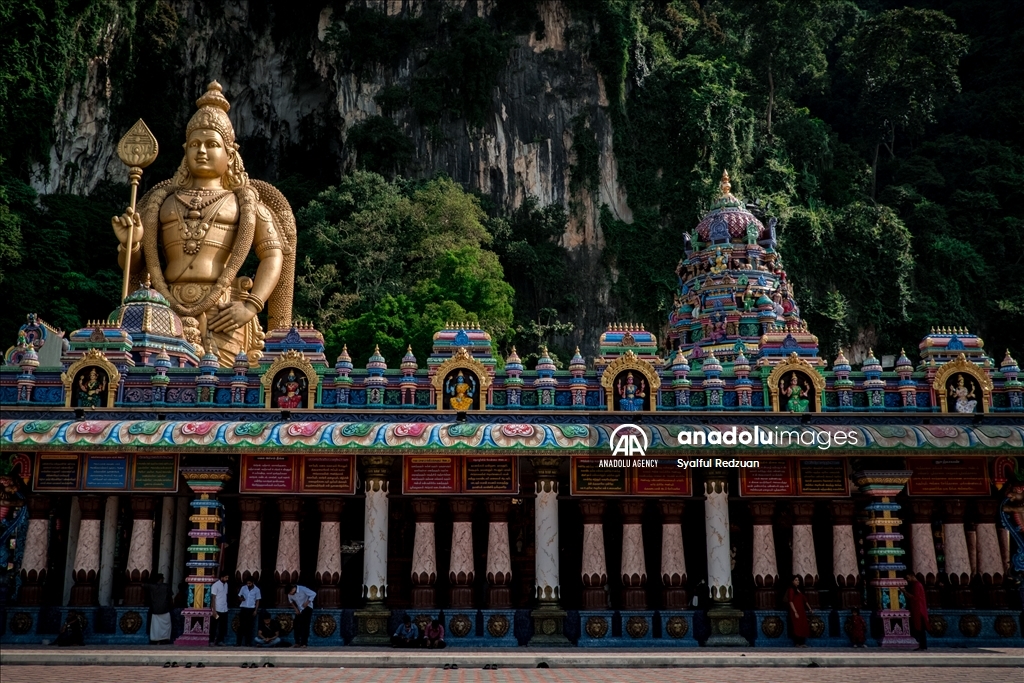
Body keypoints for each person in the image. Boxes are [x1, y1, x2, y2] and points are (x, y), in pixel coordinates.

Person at [146, 573, 174, 644]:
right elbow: (170, 598)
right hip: (165, 610)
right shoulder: (166, 587)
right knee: (166, 626)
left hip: (155, 610)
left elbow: (143, 585)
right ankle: (165, 639)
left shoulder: (152, 586)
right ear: (161, 579)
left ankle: (156, 639)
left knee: (156, 627)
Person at [785, 575, 811, 647]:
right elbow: (790, 601)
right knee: (797, 626)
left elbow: (805, 600)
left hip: (801, 610)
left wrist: (810, 609)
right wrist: (795, 611)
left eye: (798, 580)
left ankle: (802, 642)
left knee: (803, 626)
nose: (798, 581)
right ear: (793, 581)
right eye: (796, 580)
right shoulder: (791, 590)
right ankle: (797, 643)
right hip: (796, 610)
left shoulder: (799, 590)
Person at [905, 572, 929, 650]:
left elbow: (914, 597)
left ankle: (922, 645)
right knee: (920, 629)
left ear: (912, 576)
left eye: (908, 578)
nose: (907, 580)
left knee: (921, 629)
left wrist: (904, 592)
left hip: (919, 609)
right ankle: (922, 645)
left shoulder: (917, 585)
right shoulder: (917, 585)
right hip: (918, 609)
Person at [287, 584, 316, 648]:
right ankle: (297, 642)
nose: (291, 594)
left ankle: (304, 643)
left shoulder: (302, 589)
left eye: (291, 592)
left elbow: (313, 594)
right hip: (299, 609)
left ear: (293, 589)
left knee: (305, 625)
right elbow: (291, 601)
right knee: (296, 625)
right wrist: (296, 609)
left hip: (307, 607)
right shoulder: (290, 594)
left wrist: (307, 602)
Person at [237, 578, 261, 646]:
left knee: (249, 627)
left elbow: (257, 600)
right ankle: (239, 642)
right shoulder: (243, 588)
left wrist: (255, 610)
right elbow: (239, 596)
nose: (248, 585)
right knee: (241, 626)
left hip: (251, 609)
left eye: (249, 583)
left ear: (253, 582)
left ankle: (248, 642)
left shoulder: (257, 590)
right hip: (243, 608)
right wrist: (241, 599)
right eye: (247, 583)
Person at [209, 571, 230, 645]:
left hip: (224, 608)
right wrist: (213, 610)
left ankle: (220, 640)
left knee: (222, 626)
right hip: (217, 608)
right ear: (222, 577)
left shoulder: (226, 584)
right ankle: (211, 640)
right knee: (214, 626)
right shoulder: (215, 585)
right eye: (226, 577)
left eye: (227, 577)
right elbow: (213, 598)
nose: (227, 579)